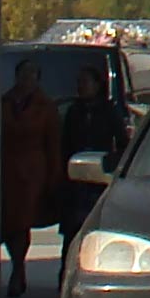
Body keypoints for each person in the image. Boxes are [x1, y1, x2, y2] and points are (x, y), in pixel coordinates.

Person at [2, 60, 63, 298]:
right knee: (6, 222)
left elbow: (53, 144)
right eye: (24, 74)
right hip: (6, 170)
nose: (28, 79)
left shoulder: (46, 107)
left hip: (32, 172)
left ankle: (18, 270)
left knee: (22, 222)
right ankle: (17, 267)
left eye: (33, 75)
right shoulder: (4, 102)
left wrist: (54, 176)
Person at [55, 57, 122, 242]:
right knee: (72, 234)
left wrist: (111, 164)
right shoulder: (73, 111)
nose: (81, 86)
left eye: (85, 82)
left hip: (99, 177)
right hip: (74, 181)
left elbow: (122, 141)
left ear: (97, 85)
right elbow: (65, 143)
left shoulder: (109, 111)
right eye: (79, 82)